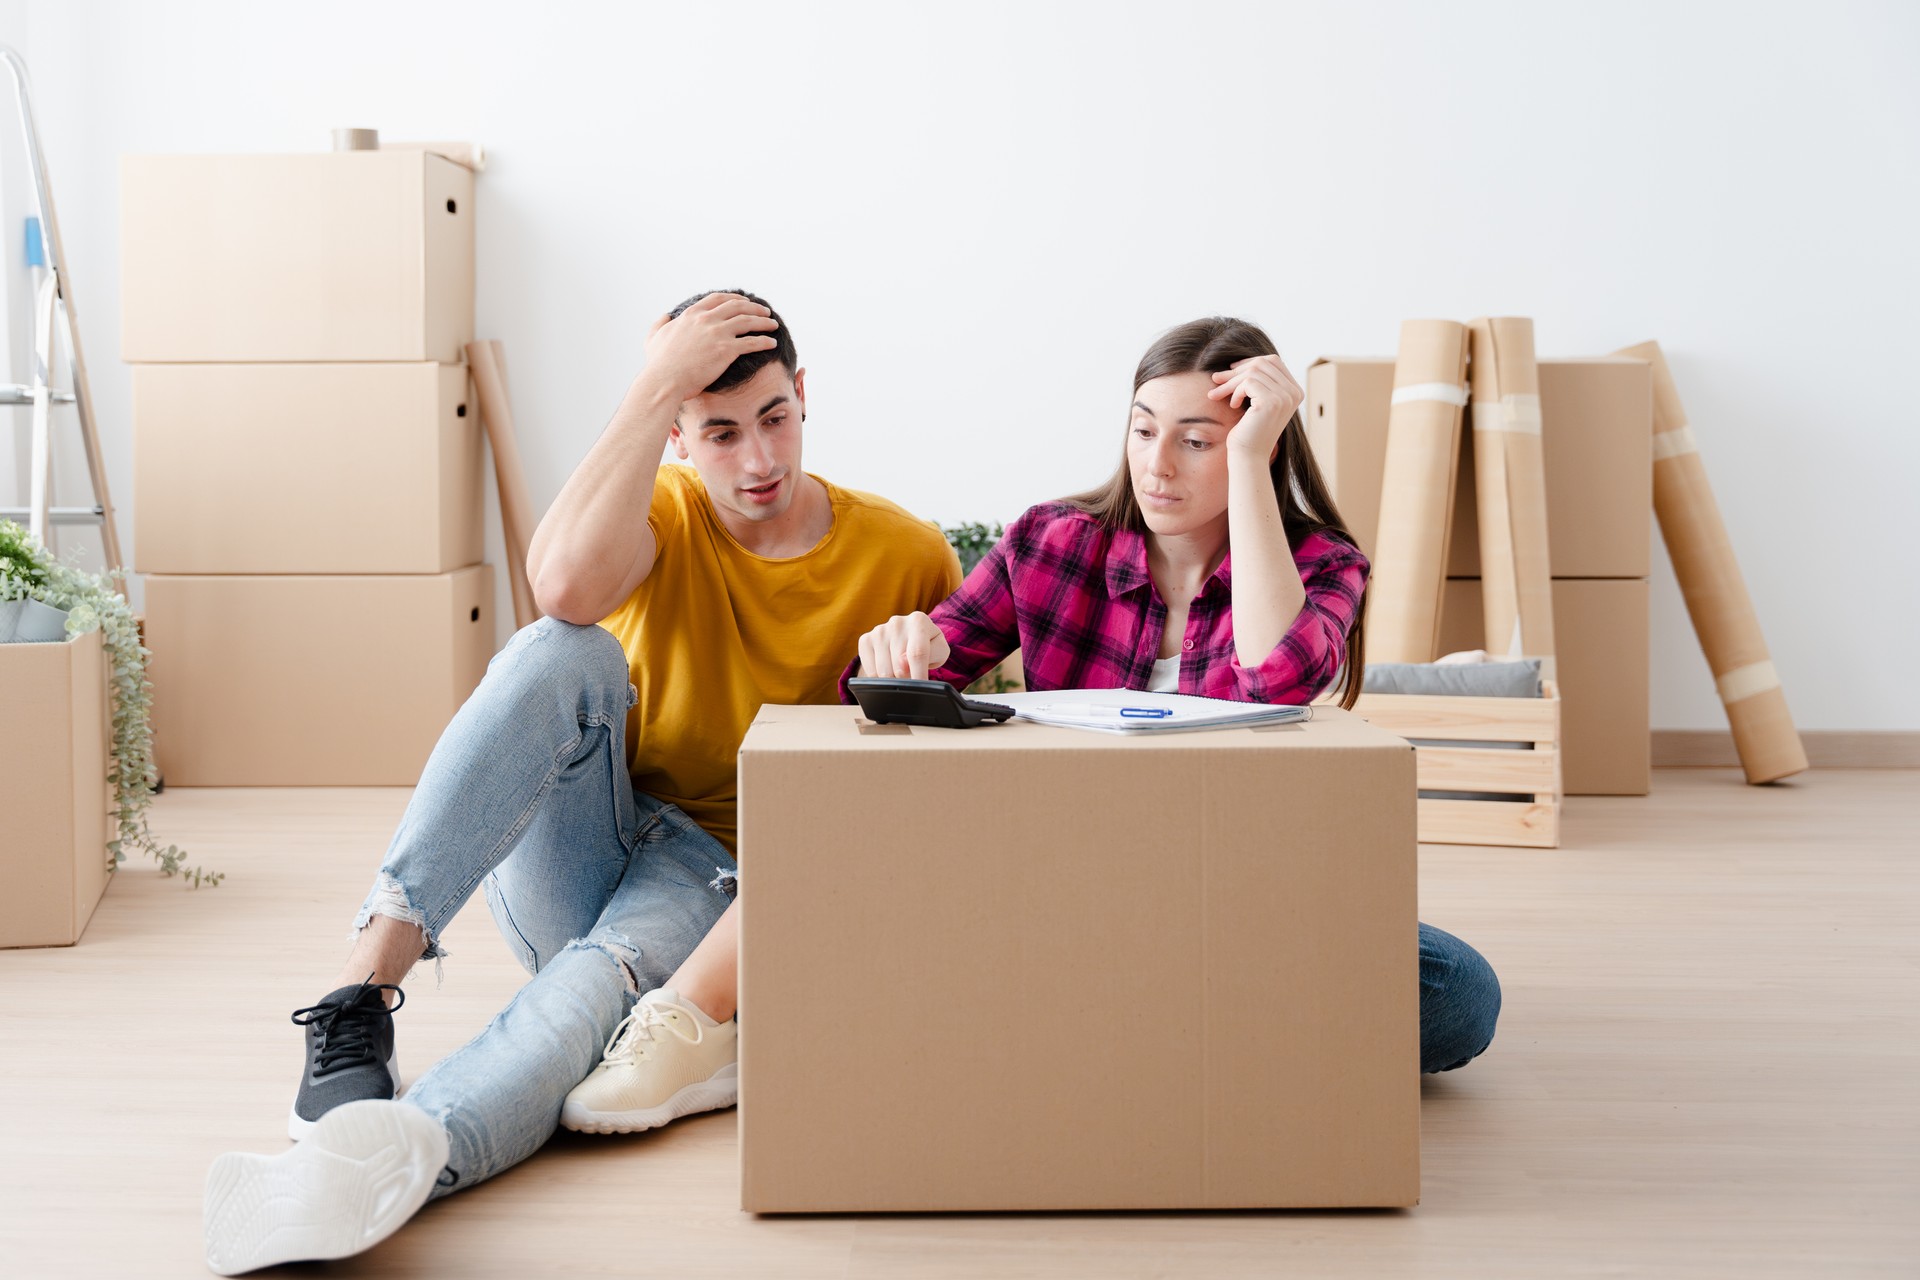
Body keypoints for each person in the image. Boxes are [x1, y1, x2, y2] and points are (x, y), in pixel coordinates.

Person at [201, 291, 962, 1276]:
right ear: (679, 437)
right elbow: (560, 585)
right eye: (721, 432)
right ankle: (357, 994)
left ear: (805, 396)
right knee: (556, 649)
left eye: (775, 418)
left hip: (726, 890)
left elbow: (963, 768)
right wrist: (653, 382)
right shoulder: (661, 511)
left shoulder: (904, 552)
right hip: (592, 838)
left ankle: (390, 1160)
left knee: (582, 999)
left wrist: (918, 662)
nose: (760, 460)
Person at [849, 316, 1501, 1076]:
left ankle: (1134, 1015)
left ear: (1261, 447)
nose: (1157, 466)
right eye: (1143, 430)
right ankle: (1196, 1020)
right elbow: (887, 688)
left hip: (1242, 892)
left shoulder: (1326, 564)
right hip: (1066, 884)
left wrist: (1254, 461)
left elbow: (1277, 677)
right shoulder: (1052, 541)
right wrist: (907, 654)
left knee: (1457, 997)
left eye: (1197, 441)